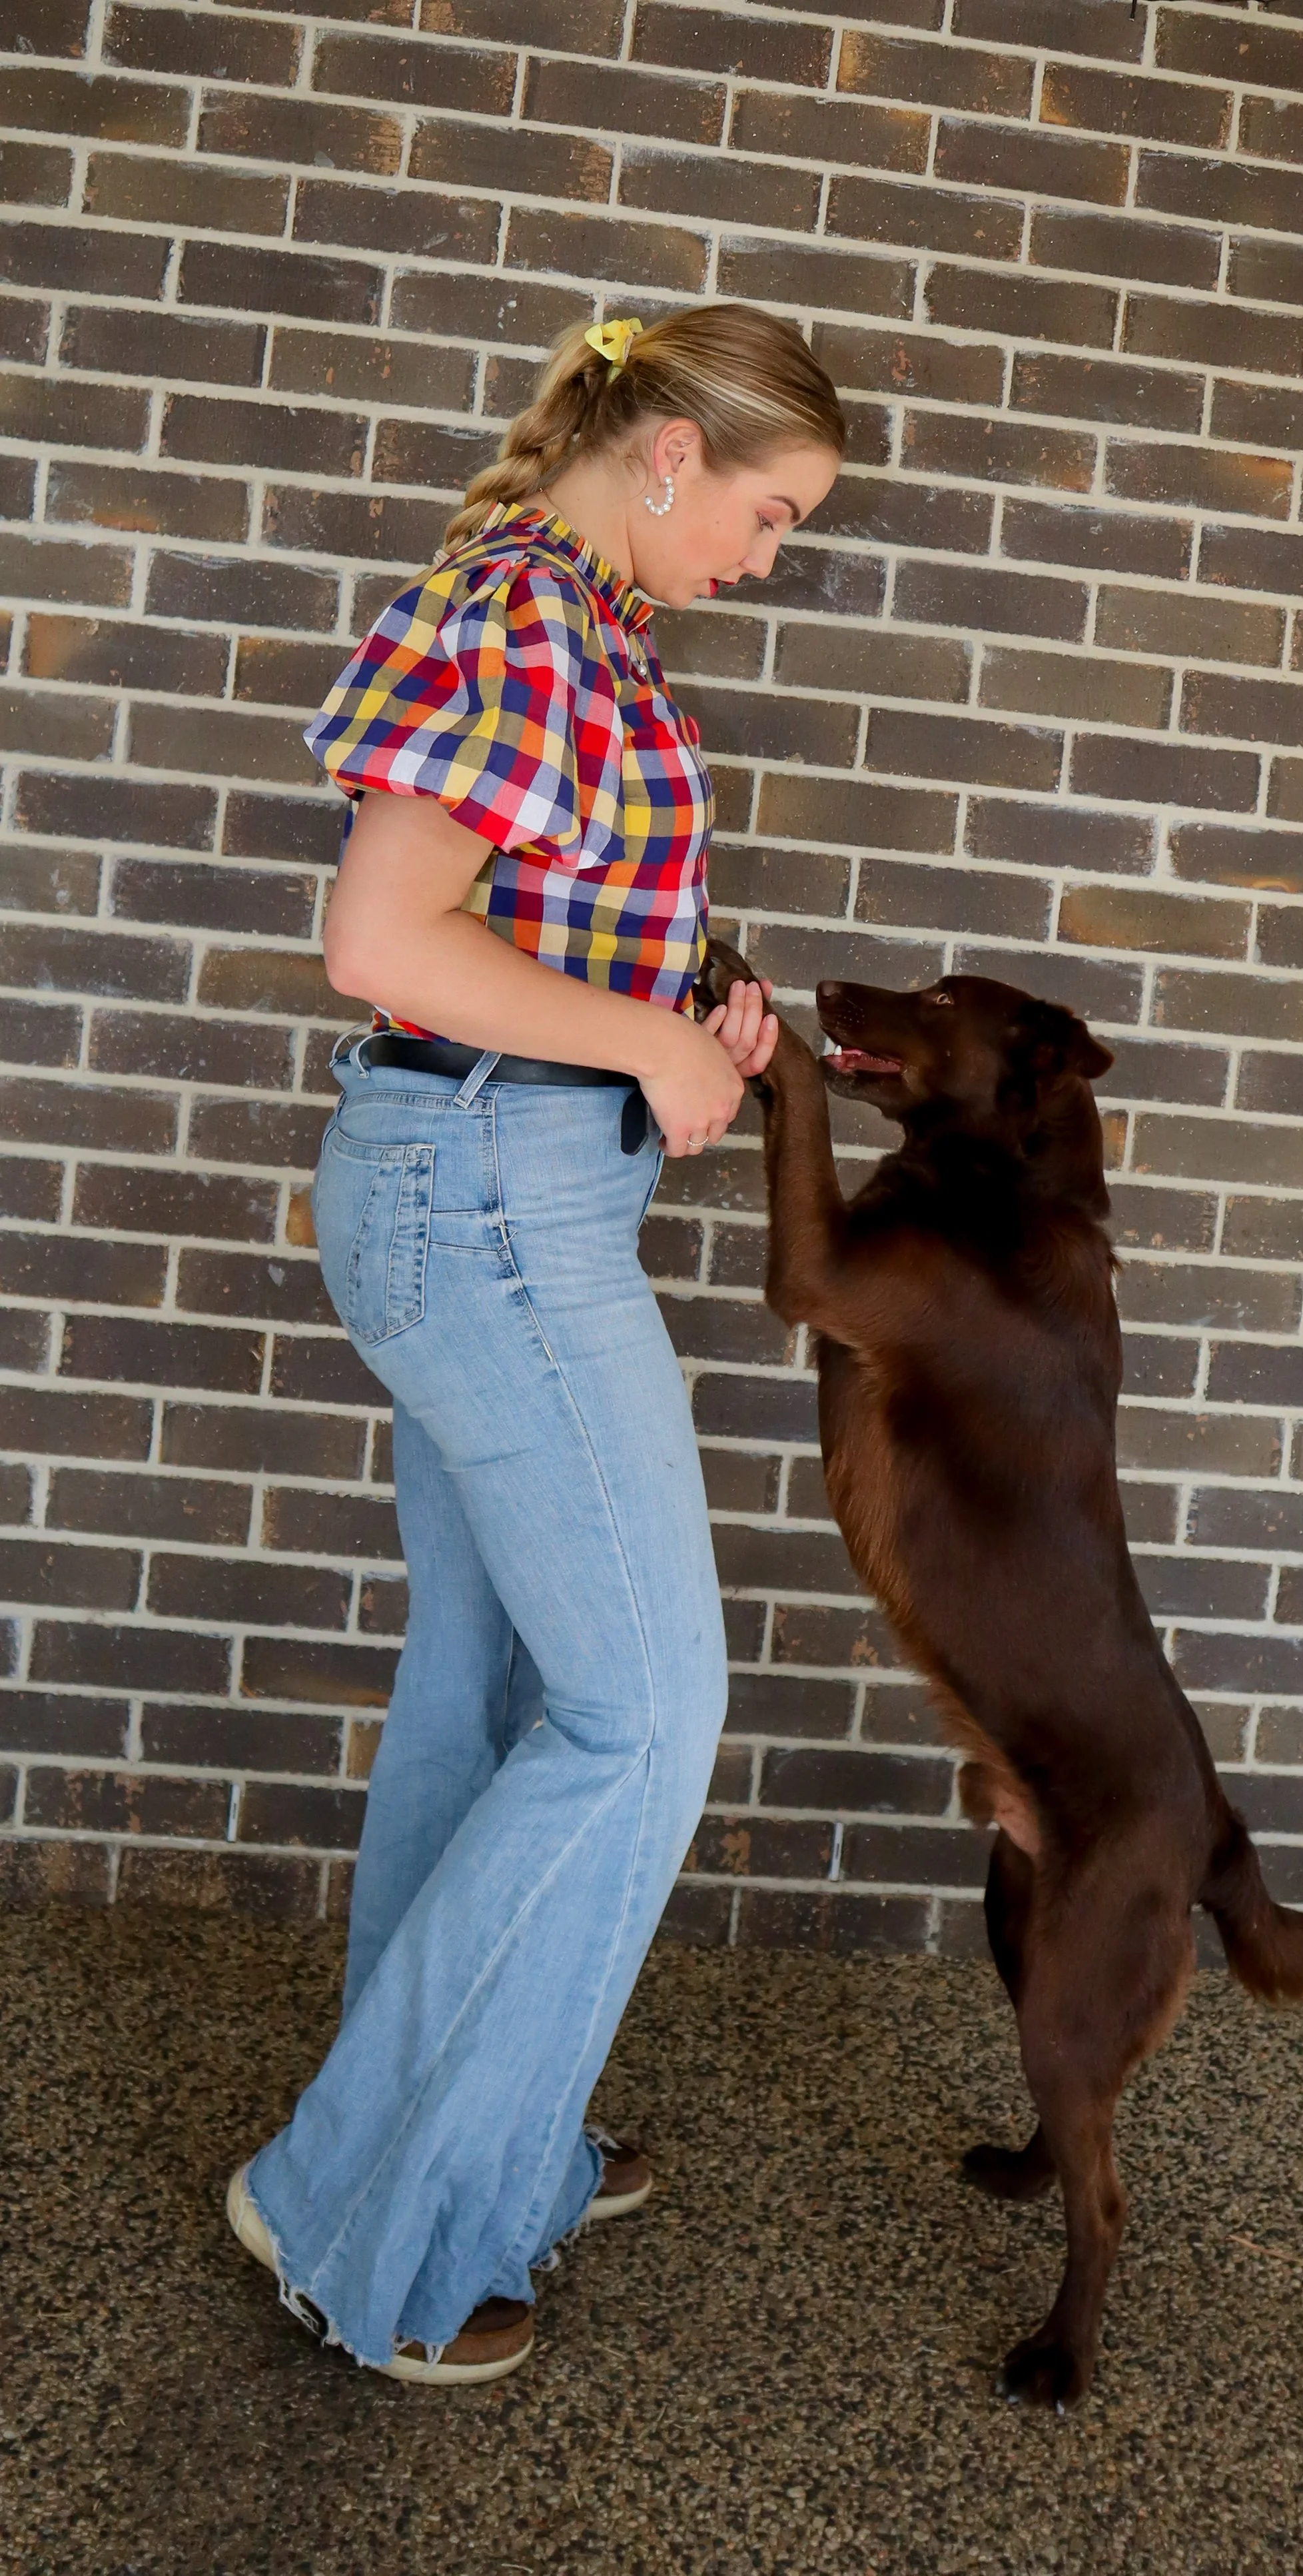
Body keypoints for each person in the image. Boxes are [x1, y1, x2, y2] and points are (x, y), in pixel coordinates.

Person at [224, 303, 845, 2383]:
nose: (770, 557)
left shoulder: (582, 622)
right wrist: (648, 1038)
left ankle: (474, 2151)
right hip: (482, 1199)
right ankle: (355, 2205)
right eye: (768, 513)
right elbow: (384, 940)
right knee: (644, 1718)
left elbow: (544, 922)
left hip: (504, 1180)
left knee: (498, 1690)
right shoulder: (518, 618)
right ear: (665, 450)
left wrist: (697, 1003)